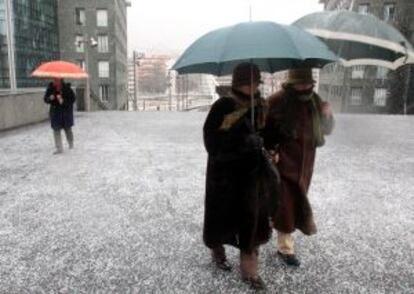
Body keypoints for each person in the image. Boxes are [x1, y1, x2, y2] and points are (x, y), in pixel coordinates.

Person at [203, 62, 278, 290]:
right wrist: (243, 143)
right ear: (237, 84)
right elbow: (212, 143)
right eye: (247, 83)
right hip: (225, 177)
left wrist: (272, 147)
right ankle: (217, 251)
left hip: (253, 178)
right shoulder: (223, 107)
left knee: (251, 224)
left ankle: (250, 271)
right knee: (222, 218)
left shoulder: (262, 106)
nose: (252, 86)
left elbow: (270, 133)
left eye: (255, 82)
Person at [263, 68, 334, 267]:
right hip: (283, 162)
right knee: (286, 204)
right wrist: (271, 149)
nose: (304, 87)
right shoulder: (277, 100)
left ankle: (277, 236)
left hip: (306, 164)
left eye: (307, 83)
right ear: (292, 83)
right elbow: (264, 129)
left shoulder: (315, 100)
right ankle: (285, 248)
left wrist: (327, 115)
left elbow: (326, 130)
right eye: (300, 83)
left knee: (294, 202)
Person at [44, 78, 76, 154]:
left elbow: (73, 99)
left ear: (61, 80)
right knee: (56, 130)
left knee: (68, 129)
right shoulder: (50, 88)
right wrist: (50, 98)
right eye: (54, 80)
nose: (54, 81)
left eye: (56, 80)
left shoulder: (67, 88)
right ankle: (59, 148)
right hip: (55, 112)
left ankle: (71, 143)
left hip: (65, 112)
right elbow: (45, 99)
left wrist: (63, 101)